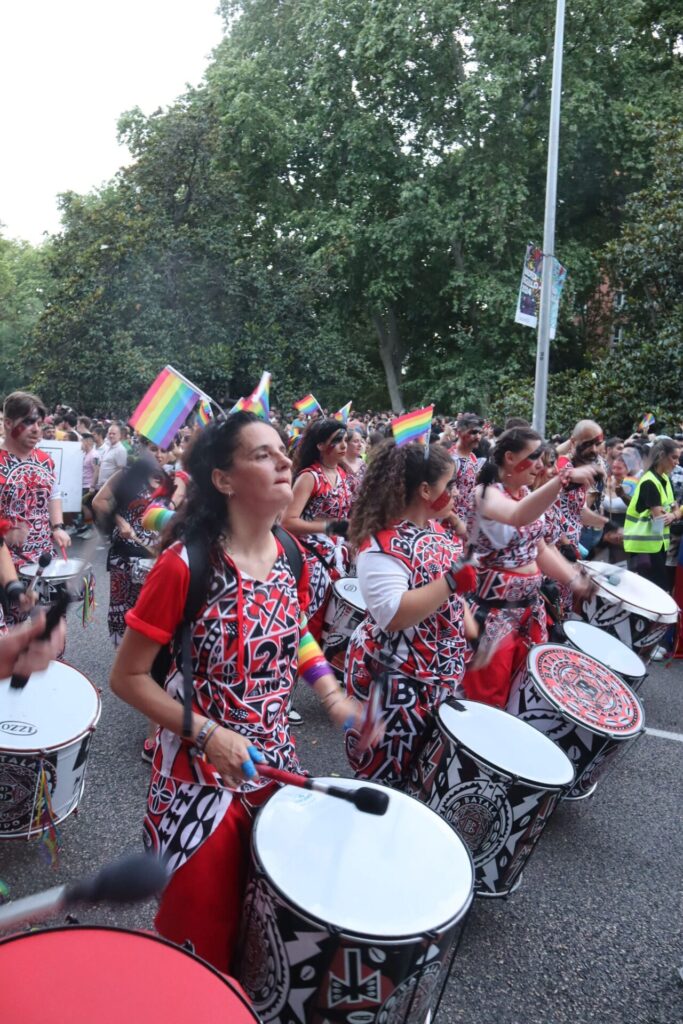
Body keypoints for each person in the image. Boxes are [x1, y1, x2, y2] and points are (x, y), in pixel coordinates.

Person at [110, 412, 368, 973]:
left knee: (265, 937)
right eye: (262, 454)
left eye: (282, 451)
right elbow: (126, 677)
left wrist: (333, 697)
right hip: (197, 785)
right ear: (224, 479)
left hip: (275, 768)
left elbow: (294, 630)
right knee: (198, 947)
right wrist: (208, 734)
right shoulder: (185, 565)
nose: (282, 461)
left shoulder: (291, 557)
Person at [344, 439, 478, 790]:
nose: (454, 492)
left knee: (422, 779)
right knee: (384, 784)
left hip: (436, 678)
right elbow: (393, 614)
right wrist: (451, 582)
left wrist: (467, 623)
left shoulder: (434, 530)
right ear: (424, 489)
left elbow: (441, 593)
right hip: (396, 682)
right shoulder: (380, 547)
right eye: (448, 485)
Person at [464, 427, 597, 708]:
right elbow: (516, 516)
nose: (540, 464)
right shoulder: (484, 493)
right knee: (488, 699)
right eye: (534, 456)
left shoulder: (525, 492)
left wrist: (574, 579)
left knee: (525, 694)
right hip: (494, 616)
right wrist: (563, 479)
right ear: (510, 457)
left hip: (529, 611)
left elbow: (540, 548)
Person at [93, 447, 172, 646]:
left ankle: (144, 658)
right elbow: (98, 501)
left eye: (164, 450)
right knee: (123, 610)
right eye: (154, 449)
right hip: (125, 554)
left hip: (155, 557)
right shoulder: (128, 474)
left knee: (151, 612)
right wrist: (120, 523)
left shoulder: (171, 480)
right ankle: (122, 655)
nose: (159, 455)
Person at [282, 419, 352, 640]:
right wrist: (330, 527)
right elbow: (287, 522)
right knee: (308, 623)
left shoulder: (341, 473)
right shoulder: (309, 477)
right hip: (311, 563)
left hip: (336, 560)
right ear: (320, 445)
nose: (344, 445)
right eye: (337, 441)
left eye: (345, 440)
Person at [0, 393, 71, 608]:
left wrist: (58, 526)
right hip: (6, 563)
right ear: (8, 423)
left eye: (39, 423)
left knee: (49, 632)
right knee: (13, 635)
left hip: (42, 559)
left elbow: (54, 494)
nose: (36, 429)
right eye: (28, 422)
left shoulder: (45, 461)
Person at [624, 438, 682, 593]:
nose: (677, 462)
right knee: (651, 592)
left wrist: (673, 514)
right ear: (662, 456)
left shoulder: (665, 479)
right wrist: (675, 514)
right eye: (674, 457)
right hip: (643, 548)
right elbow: (661, 519)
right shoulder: (650, 482)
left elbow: (672, 510)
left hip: (657, 546)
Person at [448, 414, 484, 525]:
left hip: (468, 519)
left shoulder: (472, 456)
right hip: (452, 523)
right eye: (473, 433)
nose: (478, 437)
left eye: (480, 433)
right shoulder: (451, 458)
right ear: (459, 433)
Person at [97, 422, 128, 486]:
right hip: (101, 486)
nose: (111, 435)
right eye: (109, 433)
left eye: (114, 434)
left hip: (110, 488)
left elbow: (120, 471)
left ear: (119, 435)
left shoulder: (121, 450)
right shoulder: (108, 447)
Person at [340, 427, 367, 501]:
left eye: (361, 441)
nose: (360, 445)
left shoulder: (363, 464)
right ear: (346, 443)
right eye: (355, 441)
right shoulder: (338, 464)